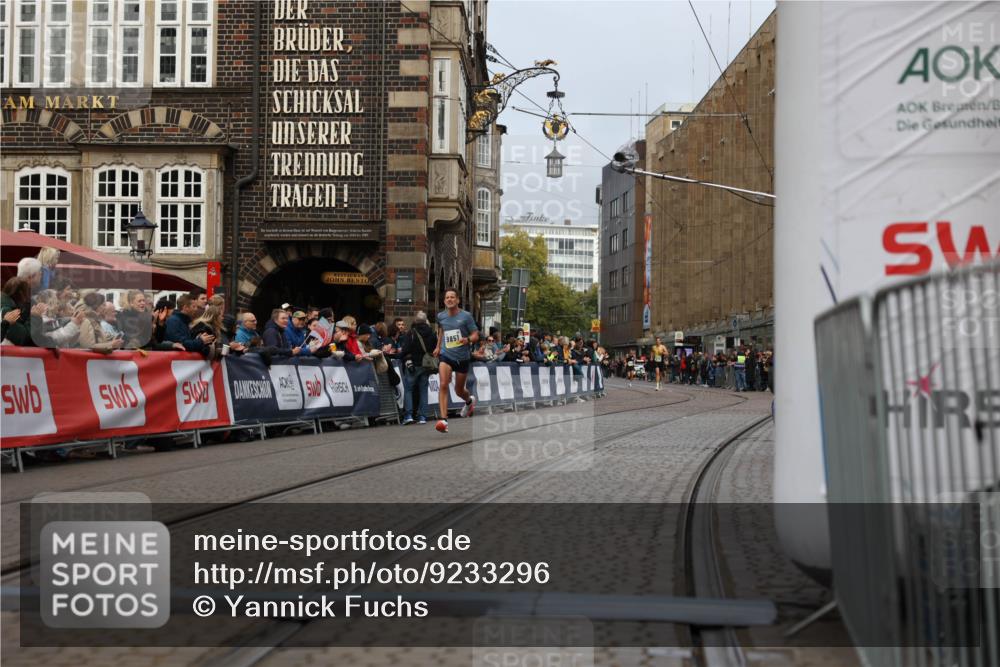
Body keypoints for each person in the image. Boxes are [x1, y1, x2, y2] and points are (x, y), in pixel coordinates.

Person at [432, 288, 479, 433]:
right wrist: (438, 346)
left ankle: (469, 400)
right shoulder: (441, 316)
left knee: (459, 390)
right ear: (444, 301)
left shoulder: (466, 316)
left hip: (462, 357)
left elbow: (476, 334)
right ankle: (443, 420)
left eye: (452, 297)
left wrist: (468, 340)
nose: (450, 299)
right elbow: (442, 330)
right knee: (444, 384)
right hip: (446, 355)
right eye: (447, 297)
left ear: (458, 300)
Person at [401, 311, 437, 424]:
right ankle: (422, 417)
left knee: (408, 389)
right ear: (426, 321)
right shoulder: (432, 332)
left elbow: (405, 350)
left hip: (413, 365)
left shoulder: (412, 332)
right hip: (426, 365)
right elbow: (435, 348)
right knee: (423, 390)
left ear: (415, 321)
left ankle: (409, 415)